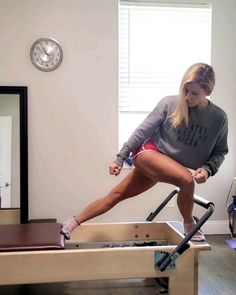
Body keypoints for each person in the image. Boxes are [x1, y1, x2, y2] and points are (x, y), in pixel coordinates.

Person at [61, 63, 228, 242]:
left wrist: (208, 169)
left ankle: (72, 223)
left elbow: (220, 152)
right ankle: (190, 225)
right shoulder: (170, 103)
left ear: (208, 91)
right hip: (148, 154)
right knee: (186, 180)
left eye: (195, 93)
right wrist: (120, 159)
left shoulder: (218, 118)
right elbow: (142, 131)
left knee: (116, 195)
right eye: (185, 90)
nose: (187, 97)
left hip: (167, 165)